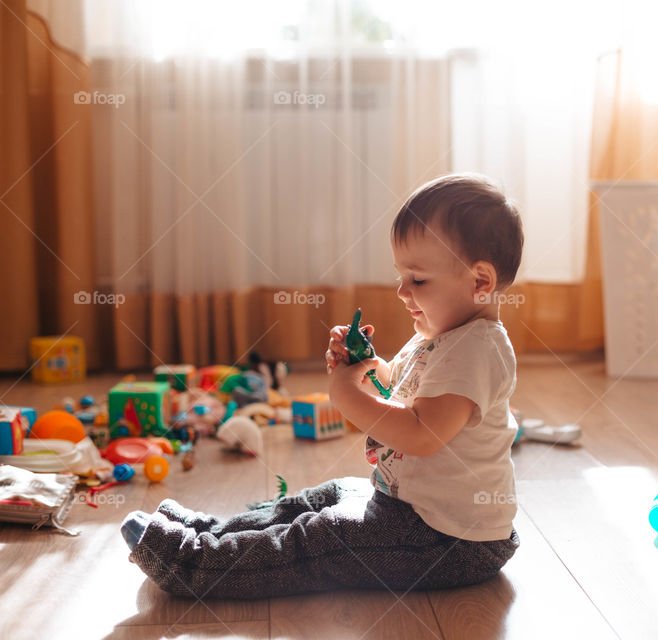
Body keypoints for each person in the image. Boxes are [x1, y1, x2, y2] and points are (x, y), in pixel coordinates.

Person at [120, 173, 525, 599]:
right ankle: (210, 531)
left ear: (480, 282)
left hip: (451, 540)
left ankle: (190, 562)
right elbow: (402, 390)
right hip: (415, 511)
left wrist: (345, 393)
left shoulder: (477, 349)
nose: (401, 291)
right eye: (401, 275)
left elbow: (422, 433)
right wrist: (366, 367)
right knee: (326, 496)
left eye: (418, 280)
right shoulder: (440, 335)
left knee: (321, 536)